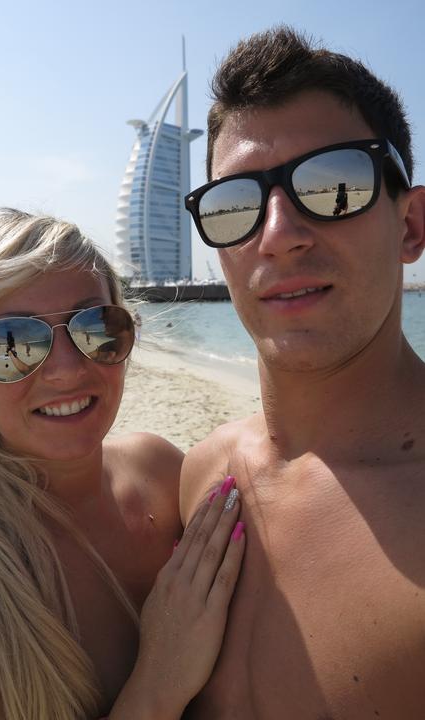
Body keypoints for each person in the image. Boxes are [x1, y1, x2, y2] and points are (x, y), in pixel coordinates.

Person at [0, 208, 246, 720]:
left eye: (96, 326)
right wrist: (158, 683)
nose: (67, 369)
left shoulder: (163, 474)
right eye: (13, 342)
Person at [182, 26, 425, 719]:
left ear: (411, 225)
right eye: (234, 204)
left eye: (334, 185)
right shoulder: (203, 478)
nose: (277, 234)